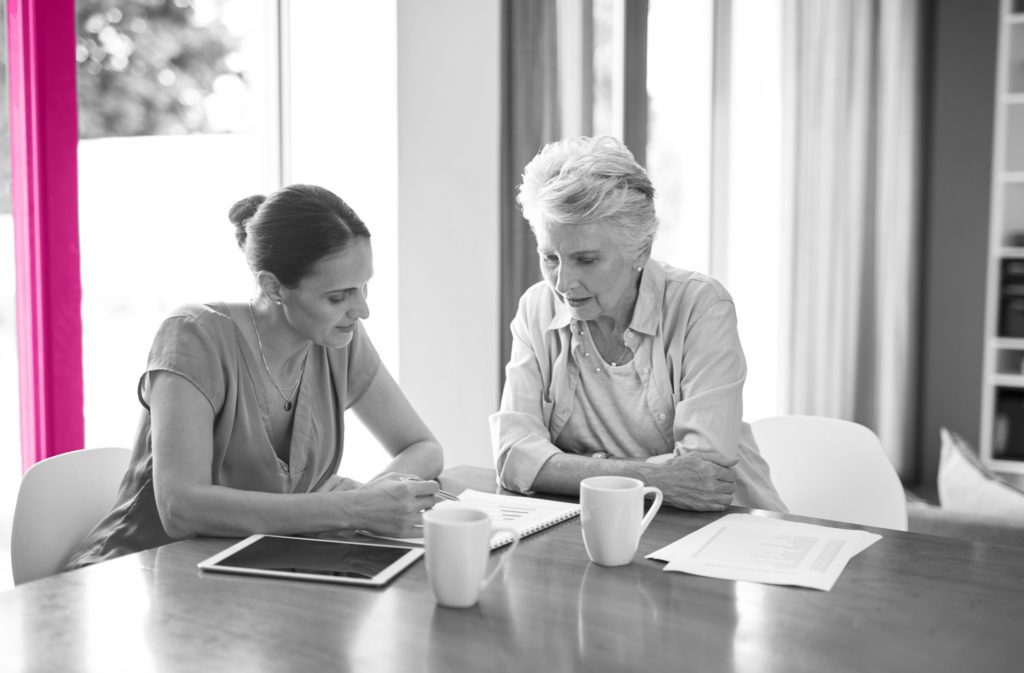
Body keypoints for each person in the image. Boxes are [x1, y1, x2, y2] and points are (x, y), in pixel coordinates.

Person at [65, 184, 442, 569]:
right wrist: (348, 509)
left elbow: (423, 448)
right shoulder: (194, 336)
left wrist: (374, 498)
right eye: (338, 296)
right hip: (135, 574)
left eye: (364, 287)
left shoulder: (339, 341)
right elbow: (181, 509)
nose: (362, 310)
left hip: (252, 575)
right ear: (273, 286)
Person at [490, 137, 785, 512]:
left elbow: (702, 475)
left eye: (586, 260)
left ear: (640, 250)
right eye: (550, 257)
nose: (563, 283)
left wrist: (563, 469)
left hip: (724, 532)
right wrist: (653, 477)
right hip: (604, 527)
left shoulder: (701, 307)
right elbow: (514, 457)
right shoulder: (537, 309)